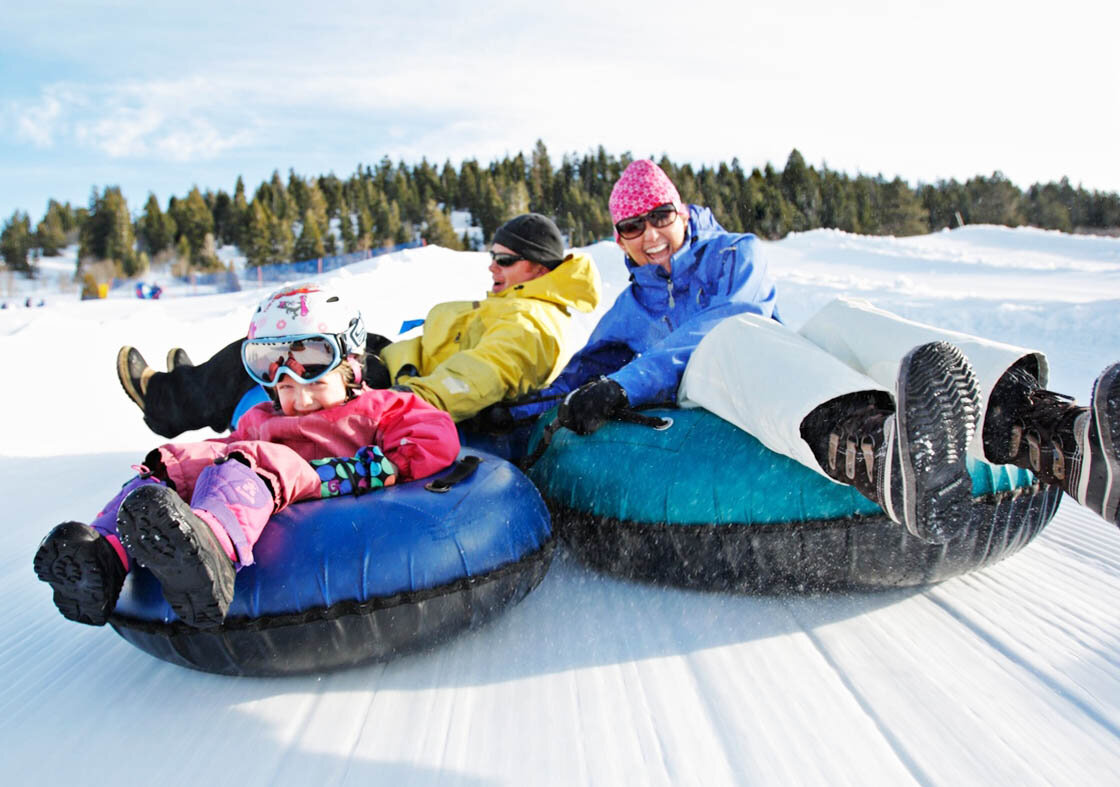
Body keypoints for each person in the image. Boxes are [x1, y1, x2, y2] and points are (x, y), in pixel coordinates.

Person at [491, 159, 1120, 543]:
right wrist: (516, 416)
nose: (651, 235)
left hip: (764, 359)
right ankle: (880, 457)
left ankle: (1059, 436)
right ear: (619, 238)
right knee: (730, 341)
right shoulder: (628, 311)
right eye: (632, 226)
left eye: (661, 216)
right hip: (718, 382)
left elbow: (732, 315)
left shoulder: (738, 254)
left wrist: (631, 380)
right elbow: (577, 381)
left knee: (841, 319)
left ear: (683, 213)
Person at [35, 283, 460, 629]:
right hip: (254, 468)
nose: (298, 393)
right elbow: (229, 447)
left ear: (351, 366)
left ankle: (209, 551)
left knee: (248, 462)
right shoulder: (262, 416)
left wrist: (360, 471)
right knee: (179, 461)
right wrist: (179, 465)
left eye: (313, 370)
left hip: (307, 477)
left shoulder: (380, 406)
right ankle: (105, 554)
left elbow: (433, 438)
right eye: (282, 382)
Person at [116, 213, 600, 437]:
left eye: (505, 259)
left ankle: (167, 400)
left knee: (291, 345)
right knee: (299, 329)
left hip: (404, 383)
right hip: (398, 357)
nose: (492, 267)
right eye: (492, 256)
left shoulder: (533, 322)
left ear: (538, 266)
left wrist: (413, 402)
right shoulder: (519, 300)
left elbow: (483, 374)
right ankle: (203, 384)